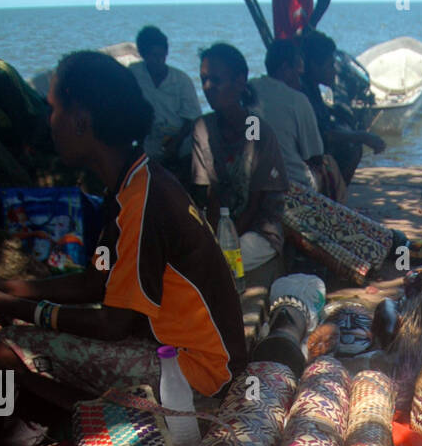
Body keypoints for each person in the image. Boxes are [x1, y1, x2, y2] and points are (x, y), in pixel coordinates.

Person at [0, 51, 246, 414]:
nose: (50, 122)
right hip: (200, 355)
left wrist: (13, 305)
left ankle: (83, 424)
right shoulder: (136, 181)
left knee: (5, 347)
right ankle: (84, 416)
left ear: (81, 121)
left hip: (201, 373)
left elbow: (112, 323)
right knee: (16, 325)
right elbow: (93, 283)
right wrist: (8, 293)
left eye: (54, 109)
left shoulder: (143, 198)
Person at [192, 43, 288, 279]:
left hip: (258, 229)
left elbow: (256, 201)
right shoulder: (203, 128)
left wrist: (226, 242)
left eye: (216, 80)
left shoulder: (255, 129)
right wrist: (215, 237)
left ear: (239, 82)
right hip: (221, 227)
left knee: (220, 265)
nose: (207, 88)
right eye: (204, 80)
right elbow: (209, 196)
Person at [301, 31, 384, 185]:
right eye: (330, 65)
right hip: (306, 159)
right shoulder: (303, 93)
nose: (334, 70)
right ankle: (333, 198)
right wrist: (362, 136)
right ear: (314, 66)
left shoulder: (310, 87)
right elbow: (324, 135)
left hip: (310, 151)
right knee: (351, 148)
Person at [129, 26, 202, 178]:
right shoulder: (133, 75)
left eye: (161, 56)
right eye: (153, 56)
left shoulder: (181, 81)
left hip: (180, 140)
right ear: (142, 54)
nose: (158, 61)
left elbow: (192, 119)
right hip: (149, 141)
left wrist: (175, 144)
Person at [252, 39, 323, 189]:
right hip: (293, 184)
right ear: (285, 68)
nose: (300, 81)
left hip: (254, 179)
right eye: (298, 74)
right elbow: (315, 157)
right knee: (328, 169)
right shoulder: (297, 100)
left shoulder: (248, 89)